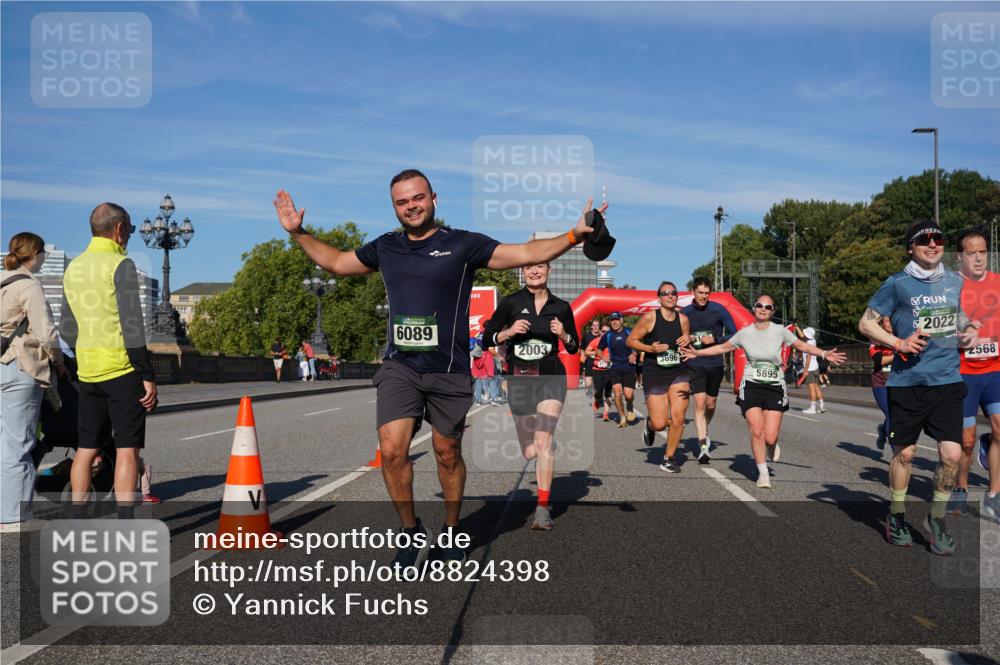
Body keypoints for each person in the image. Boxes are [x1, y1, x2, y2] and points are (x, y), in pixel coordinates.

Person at [274, 169, 606, 567]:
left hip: (448, 369)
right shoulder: (386, 247)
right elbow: (339, 262)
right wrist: (299, 232)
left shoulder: (463, 244)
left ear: (433, 198)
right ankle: (411, 532)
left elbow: (526, 254)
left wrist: (572, 236)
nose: (411, 206)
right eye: (401, 202)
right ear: (394, 207)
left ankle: (451, 530)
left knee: (446, 452)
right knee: (392, 449)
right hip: (401, 366)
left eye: (417, 198)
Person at [857, 220, 979, 554]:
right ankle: (896, 514)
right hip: (907, 382)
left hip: (947, 381)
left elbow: (963, 319)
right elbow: (865, 323)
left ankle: (936, 520)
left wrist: (969, 330)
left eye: (937, 238)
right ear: (911, 247)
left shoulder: (956, 281)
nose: (932, 244)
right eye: (923, 240)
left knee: (952, 454)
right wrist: (898, 342)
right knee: (906, 453)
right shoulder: (898, 284)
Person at [683, 294, 845, 488]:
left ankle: (772, 445)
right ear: (754, 308)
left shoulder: (780, 331)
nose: (763, 309)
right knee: (757, 431)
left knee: (770, 436)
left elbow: (800, 345)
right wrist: (697, 352)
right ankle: (763, 473)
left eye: (768, 307)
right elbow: (722, 348)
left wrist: (825, 353)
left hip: (775, 386)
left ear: (772, 312)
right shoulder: (744, 333)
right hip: (751, 384)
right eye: (759, 305)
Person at [60, 203, 157, 519]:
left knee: (87, 449)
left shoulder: (73, 267)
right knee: (127, 449)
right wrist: (146, 373)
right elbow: (132, 324)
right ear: (118, 229)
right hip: (121, 369)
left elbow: (66, 326)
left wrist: (84, 353)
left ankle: (77, 519)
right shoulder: (121, 265)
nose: (129, 235)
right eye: (129, 229)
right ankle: (125, 522)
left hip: (88, 370)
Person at [484, 262, 579, 529]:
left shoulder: (561, 307)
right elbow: (486, 339)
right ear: (522, 272)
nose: (534, 272)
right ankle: (541, 445)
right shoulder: (511, 303)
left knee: (543, 442)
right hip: (520, 379)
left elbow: (574, 348)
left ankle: (542, 509)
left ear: (550, 270)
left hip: (551, 376)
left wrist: (564, 334)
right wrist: (508, 332)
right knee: (529, 450)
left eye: (539, 267)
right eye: (528, 268)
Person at [1, 233, 66, 531]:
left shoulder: (2, 282)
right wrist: (60, 363)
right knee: (20, 445)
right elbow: (47, 333)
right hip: (21, 368)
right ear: (36, 254)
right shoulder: (29, 286)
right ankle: (15, 517)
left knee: (4, 444)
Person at [953, 229, 1000, 520]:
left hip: (995, 370)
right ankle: (960, 488)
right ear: (960, 257)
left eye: (983, 251)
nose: (979, 257)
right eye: (972, 252)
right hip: (963, 374)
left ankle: (994, 496)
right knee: (966, 441)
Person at [628, 281, 690, 473]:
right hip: (654, 372)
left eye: (673, 293)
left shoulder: (684, 320)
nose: (670, 296)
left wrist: (688, 340)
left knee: (679, 418)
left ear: (677, 297)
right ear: (659, 298)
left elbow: (686, 344)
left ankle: (668, 458)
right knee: (660, 423)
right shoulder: (649, 318)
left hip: (678, 372)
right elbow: (631, 340)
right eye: (665, 293)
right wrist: (650, 348)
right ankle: (649, 424)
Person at [681, 277, 738, 463]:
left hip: (714, 363)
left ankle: (704, 429)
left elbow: (735, 333)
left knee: (711, 403)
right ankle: (703, 446)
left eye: (707, 293)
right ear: (693, 292)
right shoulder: (685, 313)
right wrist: (684, 340)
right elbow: (675, 335)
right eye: (700, 293)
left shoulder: (718, 310)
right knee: (699, 403)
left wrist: (716, 339)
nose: (704, 296)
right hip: (694, 363)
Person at [598, 312, 638, 428]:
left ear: (621, 320)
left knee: (628, 394)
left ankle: (629, 406)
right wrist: (604, 357)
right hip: (614, 366)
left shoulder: (629, 332)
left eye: (616, 319)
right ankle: (622, 417)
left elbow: (639, 344)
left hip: (629, 366)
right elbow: (599, 350)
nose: (614, 322)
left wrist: (635, 353)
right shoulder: (608, 335)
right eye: (612, 320)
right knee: (617, 391)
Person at [869, 317, 895, 451]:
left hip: (899, 383)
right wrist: (900, 352)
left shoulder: (903, 336)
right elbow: (880, 361)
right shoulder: (876, 339)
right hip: (881, 383)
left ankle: (884, 430)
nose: (889, 323)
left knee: (898, 414)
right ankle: (895, 449)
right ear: (881, 323)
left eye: (891, 319)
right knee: (892, 414)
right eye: (886, 320)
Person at [801, 326, 825, 414]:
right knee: (816, 386)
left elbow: (808, 358)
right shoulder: (813, 340)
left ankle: (812, 408)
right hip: (816, 367)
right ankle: (822, 406)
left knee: (811, 388)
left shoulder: (808, 344)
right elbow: (803, 336)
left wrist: (805, 370)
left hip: (810, 368)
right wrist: (796, 326)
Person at [580, 319, 602, 397]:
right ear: (592, 327)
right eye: (594, 325)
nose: (596, 327)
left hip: (599, 360)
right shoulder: (587, 336)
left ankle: (598, 395)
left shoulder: (601, 336)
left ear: (599, 327)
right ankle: (589, 389)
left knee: (598, 379)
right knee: (589, 382)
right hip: (588, 360)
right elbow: (582, 348)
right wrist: (582, 357)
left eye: (597, 325)